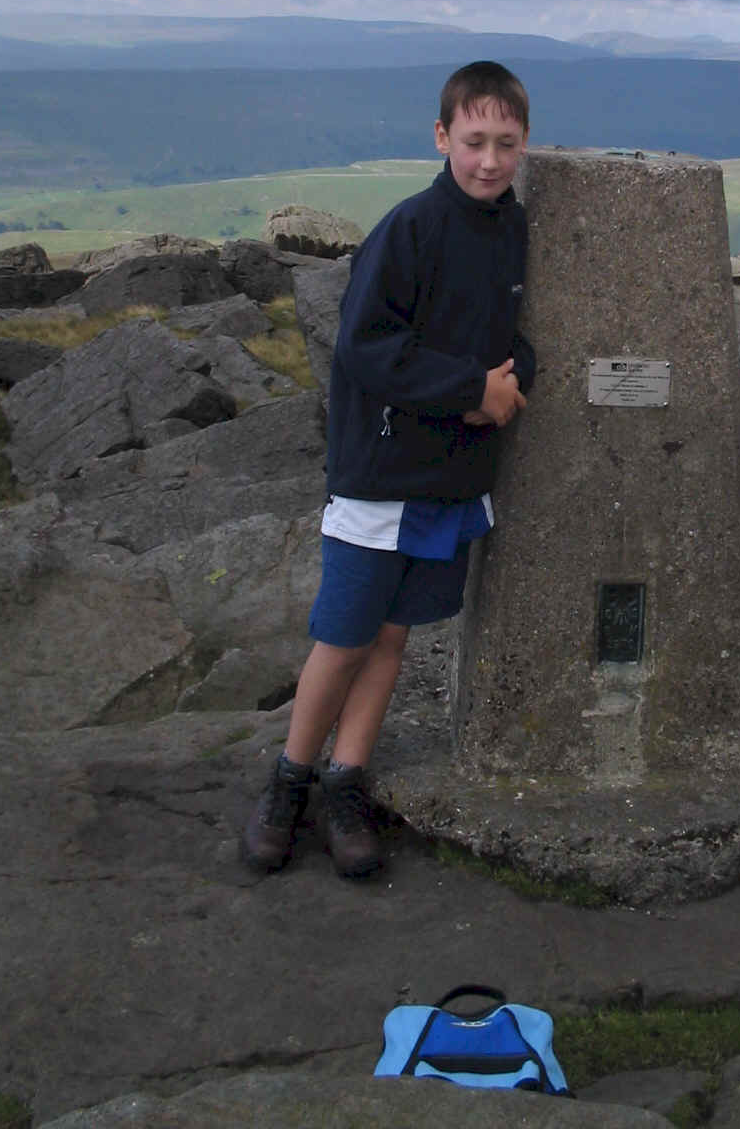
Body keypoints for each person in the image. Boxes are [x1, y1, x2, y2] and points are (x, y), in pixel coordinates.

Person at [241, 61, 533, 879]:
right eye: (473, 141)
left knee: (393, 637)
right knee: (343, 637)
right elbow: (366, 347)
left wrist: (510, 387)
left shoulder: (512, 229)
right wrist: (469, 389)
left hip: (449, 478)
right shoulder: (409, 229)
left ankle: (347, 780)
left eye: (505, 144)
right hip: (381, 474)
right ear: (441, 138)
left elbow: (520, 334)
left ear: (523, 145)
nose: (488, 160)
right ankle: (288, 781)